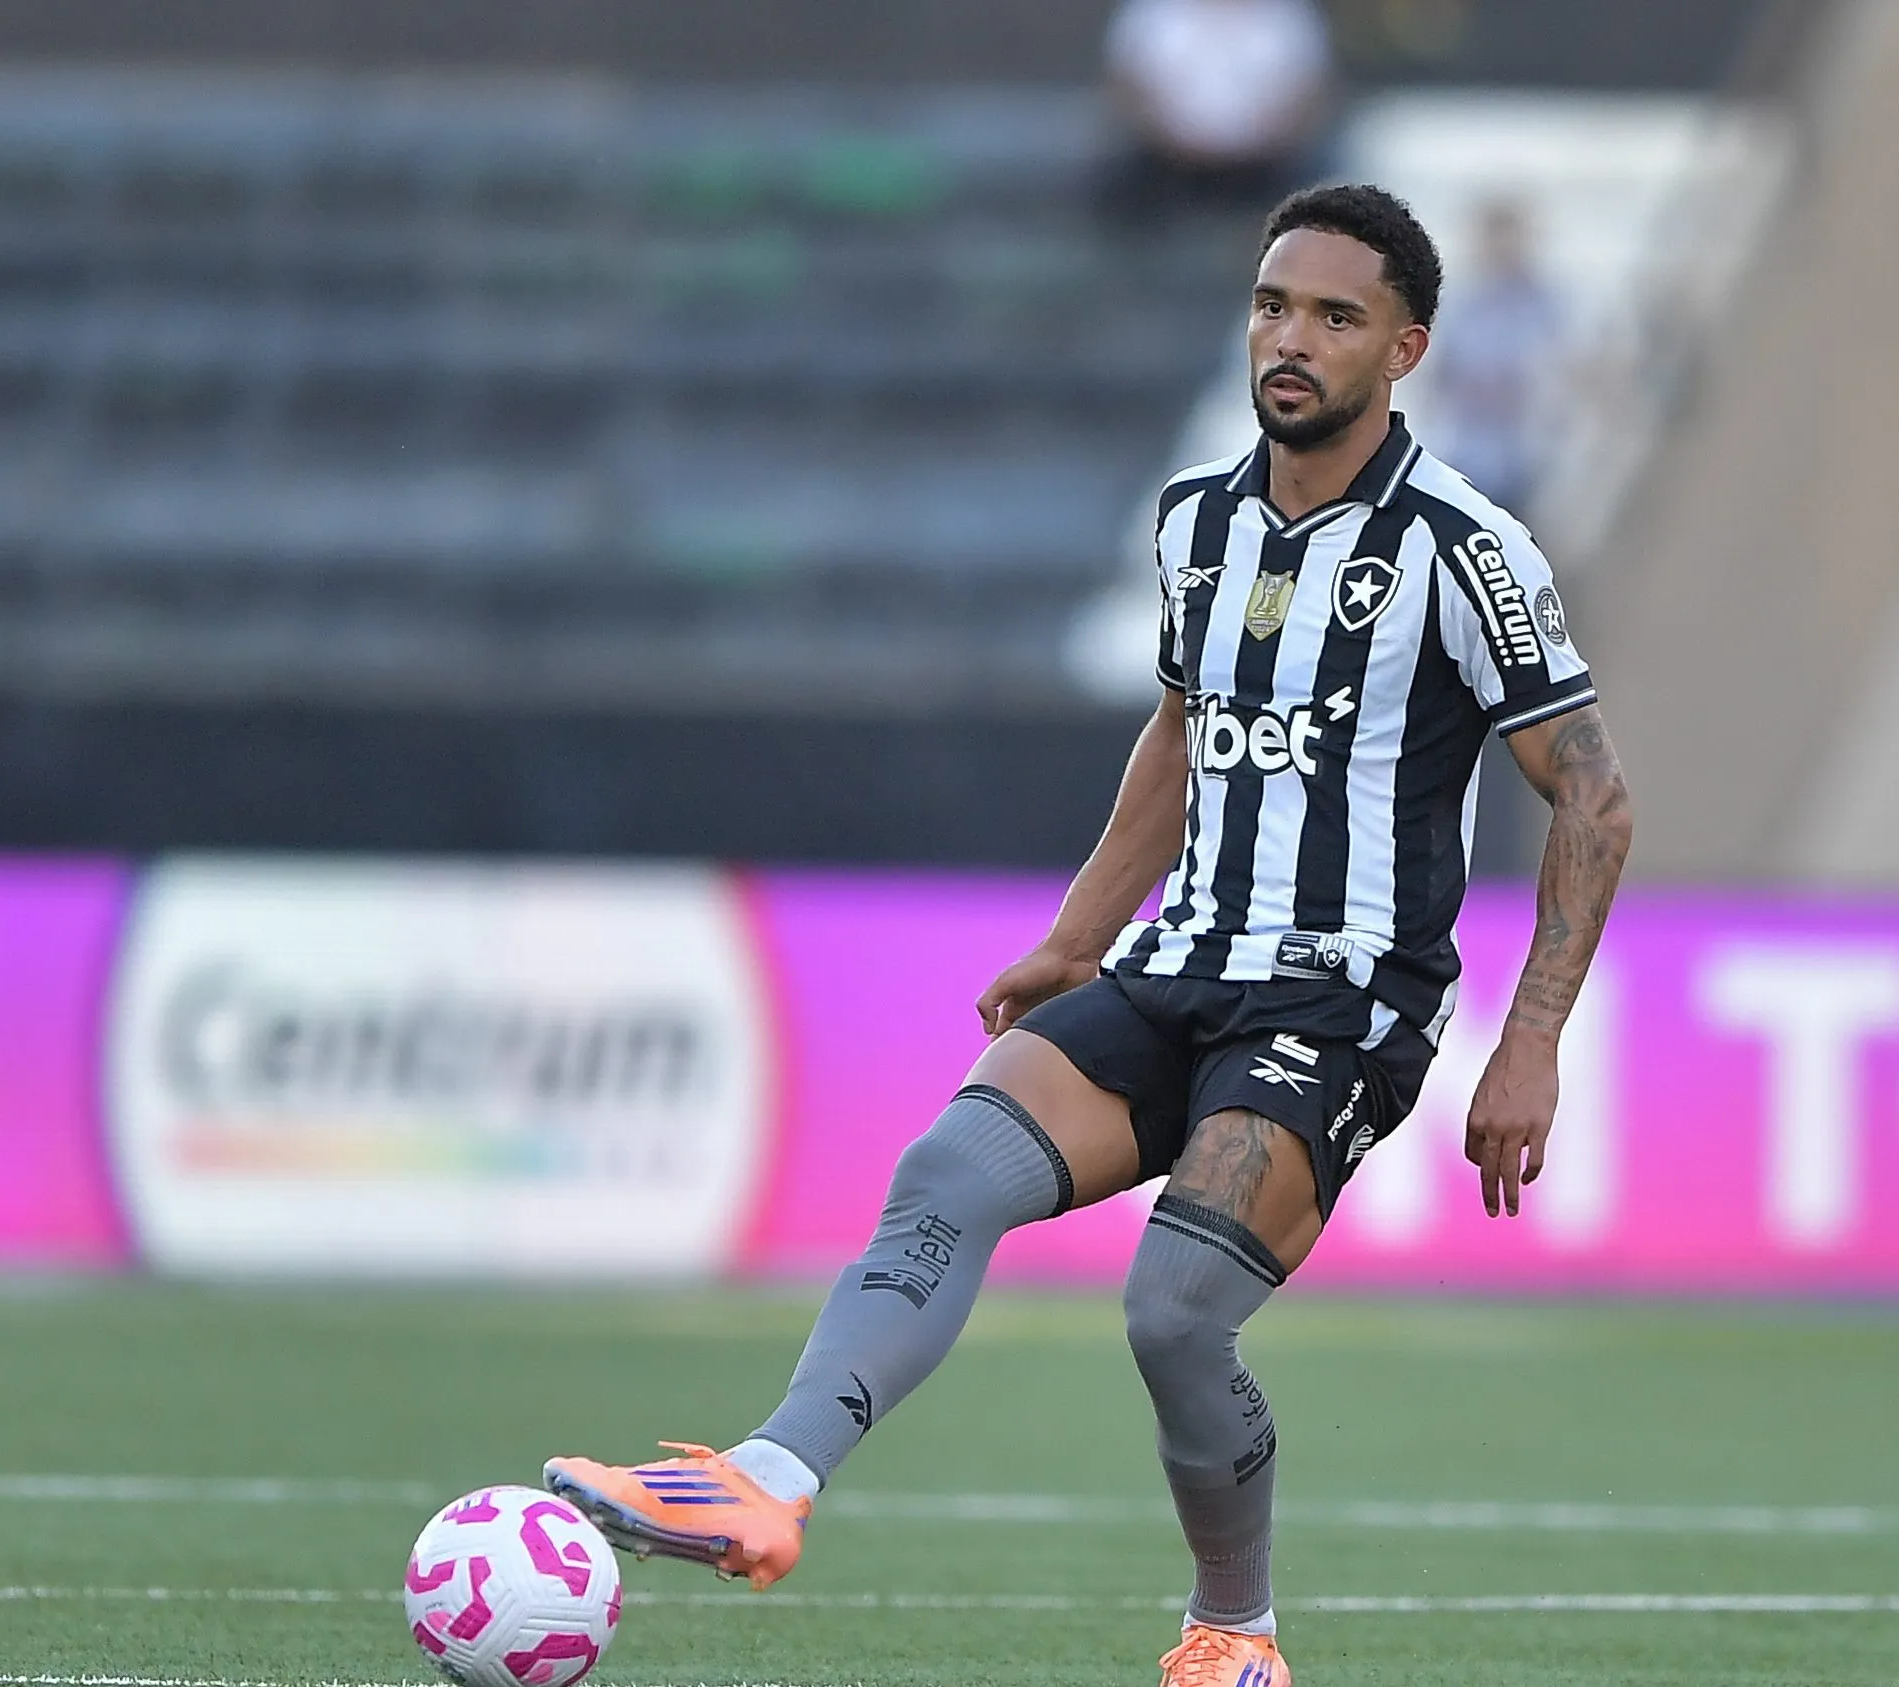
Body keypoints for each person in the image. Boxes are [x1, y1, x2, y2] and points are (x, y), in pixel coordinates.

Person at [545, 185, 1633, 1687]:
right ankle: (766, 1478)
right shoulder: (1197, 522)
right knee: (946, 1168)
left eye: (1334, 315)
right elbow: (1181, 742)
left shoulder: (1465, 546)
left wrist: (1529, 1040)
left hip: (1337, 1005)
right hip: (1176, 966)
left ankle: (1234, 1633)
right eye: (1271, 304)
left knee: (1175, 1310)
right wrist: (1078, 936)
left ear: (1407, 347)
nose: (1290, 338)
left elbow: (1592, 797)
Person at [1101, 0, 1333, 217]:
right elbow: (1125, 87)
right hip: (1164, 159)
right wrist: (1172, 138)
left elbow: (1310, 94)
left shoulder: (1289, 15)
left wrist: (1262, 139)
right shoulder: (1150, 12)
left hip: (1267, 162)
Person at [1425, 197, 1567, 518]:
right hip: (1468, 449)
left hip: (1526, 452)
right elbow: (1438, 375)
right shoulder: (1460, 304)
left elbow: (1569, 371)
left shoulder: (1549, 305)